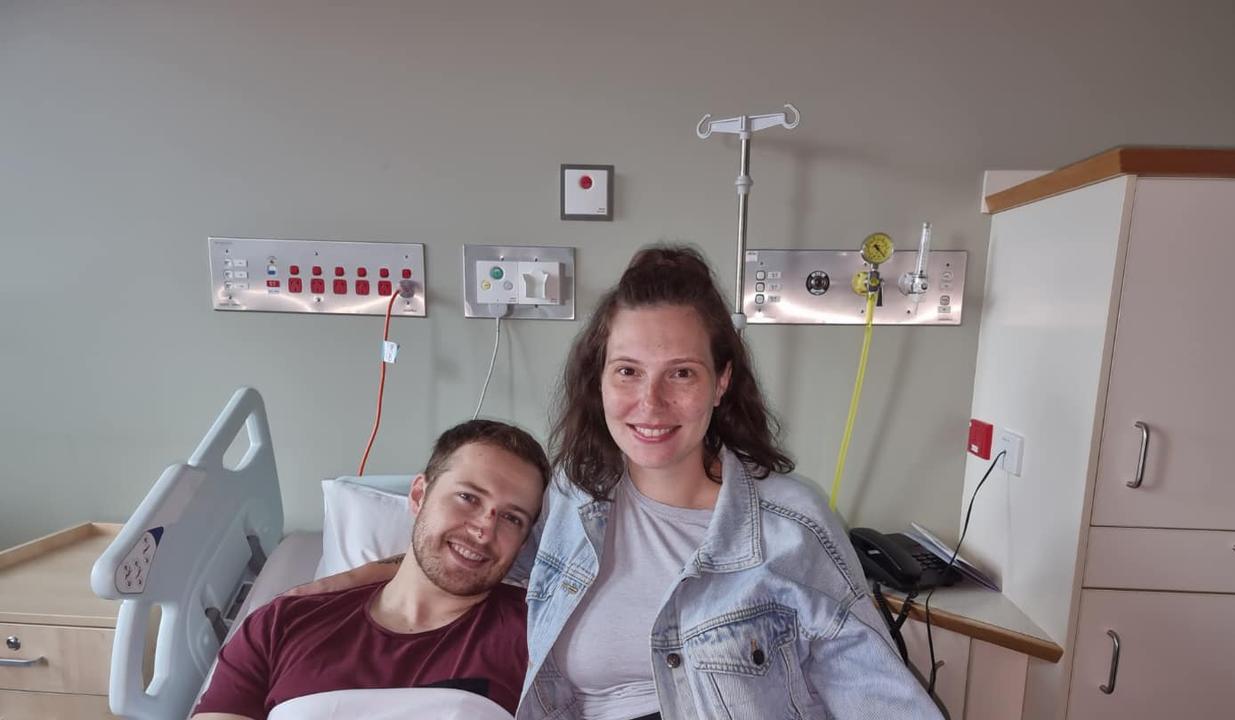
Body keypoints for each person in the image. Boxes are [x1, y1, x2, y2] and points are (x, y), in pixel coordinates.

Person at [303, 246, 941, 719]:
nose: (651, 403)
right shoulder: (570, 507)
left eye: (682, 374)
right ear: (600, 381)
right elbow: (469, 555)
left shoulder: (788, 525)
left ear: (721, 383)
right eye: (628, 371)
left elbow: (880, 697)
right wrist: (334, 586)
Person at [191, 419, 550, 720]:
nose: (485, 530)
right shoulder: (281, 624)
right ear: (418, 495)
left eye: (512, 518)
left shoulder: (540, 637)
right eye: (468, 497)